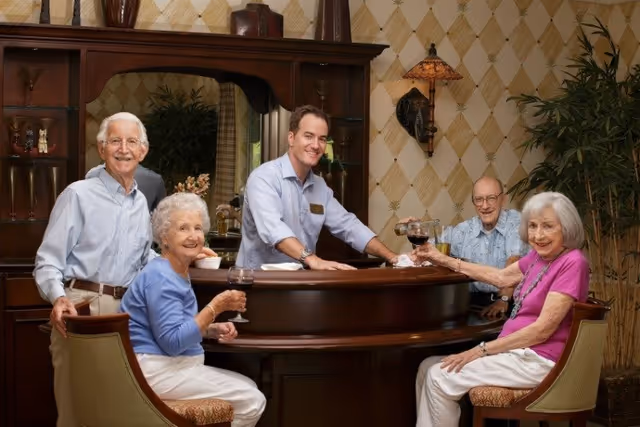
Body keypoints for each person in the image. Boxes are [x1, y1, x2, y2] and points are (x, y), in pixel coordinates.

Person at [33, 112, 212, 426]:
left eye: (132, 142)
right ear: (101, 148)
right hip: (82, 307)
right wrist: (58, 298)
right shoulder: (78, 195)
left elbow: (144, 260)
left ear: (143, 151)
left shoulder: (140, 202)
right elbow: (48, 261)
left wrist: (186, 251)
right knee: (78, 409)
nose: (123, 149)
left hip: (127, 312)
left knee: (116, 410)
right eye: (115, 141)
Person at [411, 192, 589, 427]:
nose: (538, 235)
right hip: (519, 354)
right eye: (533, 226)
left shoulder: (572, 262)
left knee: (439, 376)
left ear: (566, 228)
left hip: (539, 360)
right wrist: (441, 259)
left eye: (548, 227)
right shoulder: (538, 257)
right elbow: (500, 277)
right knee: (427, 367)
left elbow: (541, 331)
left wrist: (481, 350)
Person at [120, 192, 266, 427]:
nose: (193, 236)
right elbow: (172, 341)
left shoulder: (174, 269)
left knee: (249, 386)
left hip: (172, 366)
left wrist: (210, 330)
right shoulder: (161, 277)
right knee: (252, 400)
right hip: (156, 370)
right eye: (183, 228)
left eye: (197, 228)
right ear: (164, 236)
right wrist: (215, 307)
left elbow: (177, 325)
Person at [237, 104, 398, 270]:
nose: (316, 145)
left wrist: (393, 257)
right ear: (291, 138)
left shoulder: (320, 186)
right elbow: (273, 230)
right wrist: (313, 260)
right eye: (308, 136)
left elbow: (348, 226)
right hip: (257, 284)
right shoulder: (264, 177)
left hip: (301, 284)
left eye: (322, 139)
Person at [446, 176, 529, 318]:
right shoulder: (464, 229)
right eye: (479, 199)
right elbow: (434, 250)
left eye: (491, 198)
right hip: (471, 303)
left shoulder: (516, 223)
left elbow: (514, 263)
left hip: (510, 304)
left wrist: (503, 300)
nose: (484, 206)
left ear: (503, 199)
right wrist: (414, 230)